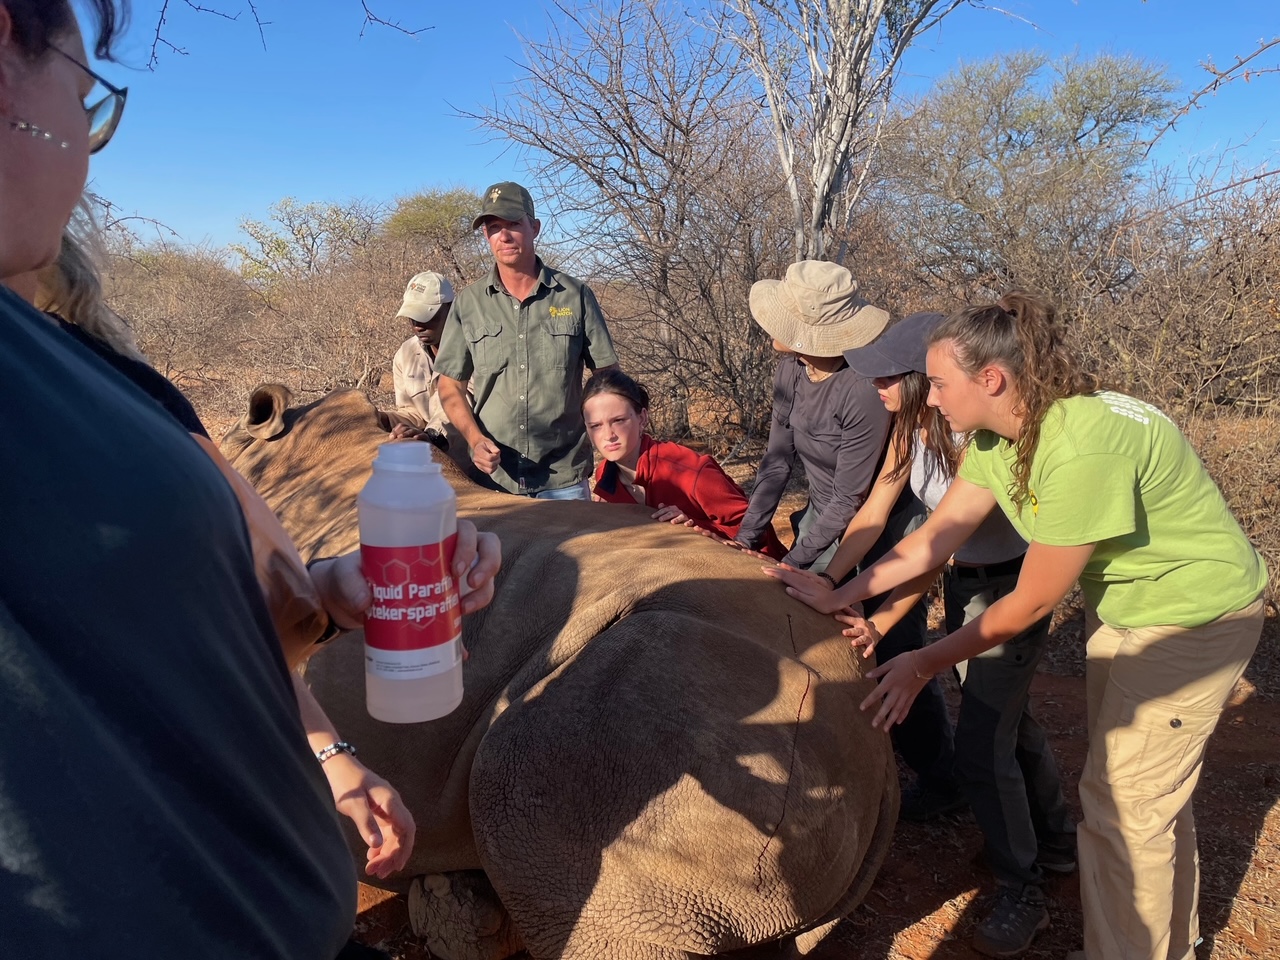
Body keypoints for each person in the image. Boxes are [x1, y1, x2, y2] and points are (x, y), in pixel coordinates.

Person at [0, 6, 498, 956]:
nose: (89, 151)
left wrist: (331, 615)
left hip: (281, 906)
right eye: (85, 99)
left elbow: (199, 626)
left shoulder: (106, 379)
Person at [774, 292, 1268, 960]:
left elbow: (1031, 603)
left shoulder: (1082, 446)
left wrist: (923, 661)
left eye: (942, 384)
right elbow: (934, 541)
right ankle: (1163, 944)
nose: (936, 400)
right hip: (1127, 610)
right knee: (1147, 803)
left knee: (1126, 807)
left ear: (993, 380)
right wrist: (842, 590)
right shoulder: (997, 439)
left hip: (1192, 617)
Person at [769, 310, 1075, 957]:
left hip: (1008, 582)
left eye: (887, 378)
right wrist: (825, 578)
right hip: (967, 579)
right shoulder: (911, 427)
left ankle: (1023, 887)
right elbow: (878, 508)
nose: (876, 391)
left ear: (920, 377)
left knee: (984, 741)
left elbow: (931, 548)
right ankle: (1054, 842)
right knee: (1010, 722)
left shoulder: (973, 434)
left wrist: (876, 617)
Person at [731, 260, 959, 812]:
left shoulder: (865, 387)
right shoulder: (789, 371)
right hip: (828, 514)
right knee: (812, 627)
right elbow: (776, 460)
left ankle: (940, 773)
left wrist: (808, 565)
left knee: (889, 642)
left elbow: (859, 499)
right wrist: (748, 536)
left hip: (881, 523)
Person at [435, 181, 619, 499]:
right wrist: (475, 440)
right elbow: (449, 385)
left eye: (514, 224)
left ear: (534, 227)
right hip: (495, 482)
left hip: (564, 481)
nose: (504, 236)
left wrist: (605, 439)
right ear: (485, 235)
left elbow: (608, 377)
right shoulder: (469, 303)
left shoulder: (575, 295)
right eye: (494, 227)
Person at [583, 368, 786, 557]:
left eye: (618, 420)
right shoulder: (604, 477)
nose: (608, 435)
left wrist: (695, 526)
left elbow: (757, 529)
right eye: (596, 426)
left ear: (642, 418)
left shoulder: (689, 470)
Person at [387, 270, 471, 453]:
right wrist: (381, 420)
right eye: (413, 317)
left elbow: (463, 401)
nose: (418, 325)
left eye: (427, 316)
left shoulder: (475, 347)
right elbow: (411, 412)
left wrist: (433, 436)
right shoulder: (405, 354)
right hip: (429, 460)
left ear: (450, 309)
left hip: (473, 463)